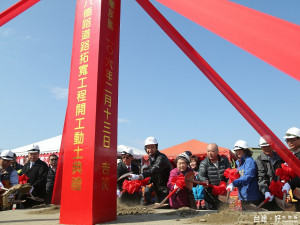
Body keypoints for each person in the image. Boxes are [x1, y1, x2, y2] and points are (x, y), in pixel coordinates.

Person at [130, 137, 172, 204]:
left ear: (156, 147)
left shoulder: (162, 157)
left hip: (165, 188)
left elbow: (154, 169)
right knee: (145, 197)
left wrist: (140, 176)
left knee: (164, 208)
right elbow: (153, 174)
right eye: (148, 148)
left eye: (152, 147)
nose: (150, 150)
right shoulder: (151, 158)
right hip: (157, 187)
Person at [227, 140, 263, 210]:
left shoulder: (249, 161)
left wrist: (234, 183)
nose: (238, 152)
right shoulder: (238, 162)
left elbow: (247, 177)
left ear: (245, 150)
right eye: (236, 150)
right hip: (243, 195)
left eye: (240, 150)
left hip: (251, 196)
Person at [197, 143, 231, 210]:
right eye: (208, 151)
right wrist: (204, 180)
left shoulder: (225, 161)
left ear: (217, 151)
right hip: (210, 194)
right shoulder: (204, 163)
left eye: (212, 151)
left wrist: (228, 184)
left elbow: (230, 173)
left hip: (223, 194)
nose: (210, 153)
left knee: (224, 213)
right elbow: (200, 175)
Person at [255, 137, 284, 211]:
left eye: (268, 146)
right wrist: (266, 191)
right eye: (264, 146)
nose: (266, 148)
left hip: (280, 193)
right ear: (261, 147)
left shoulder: (280, 158)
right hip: (267, 195)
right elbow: (261, 177)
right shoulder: (259, 160)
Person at [281, 127, 300, 210]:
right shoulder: (293, 155)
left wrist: (290, 184)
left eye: (292, 140)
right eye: (287, 140)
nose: (289, 143)